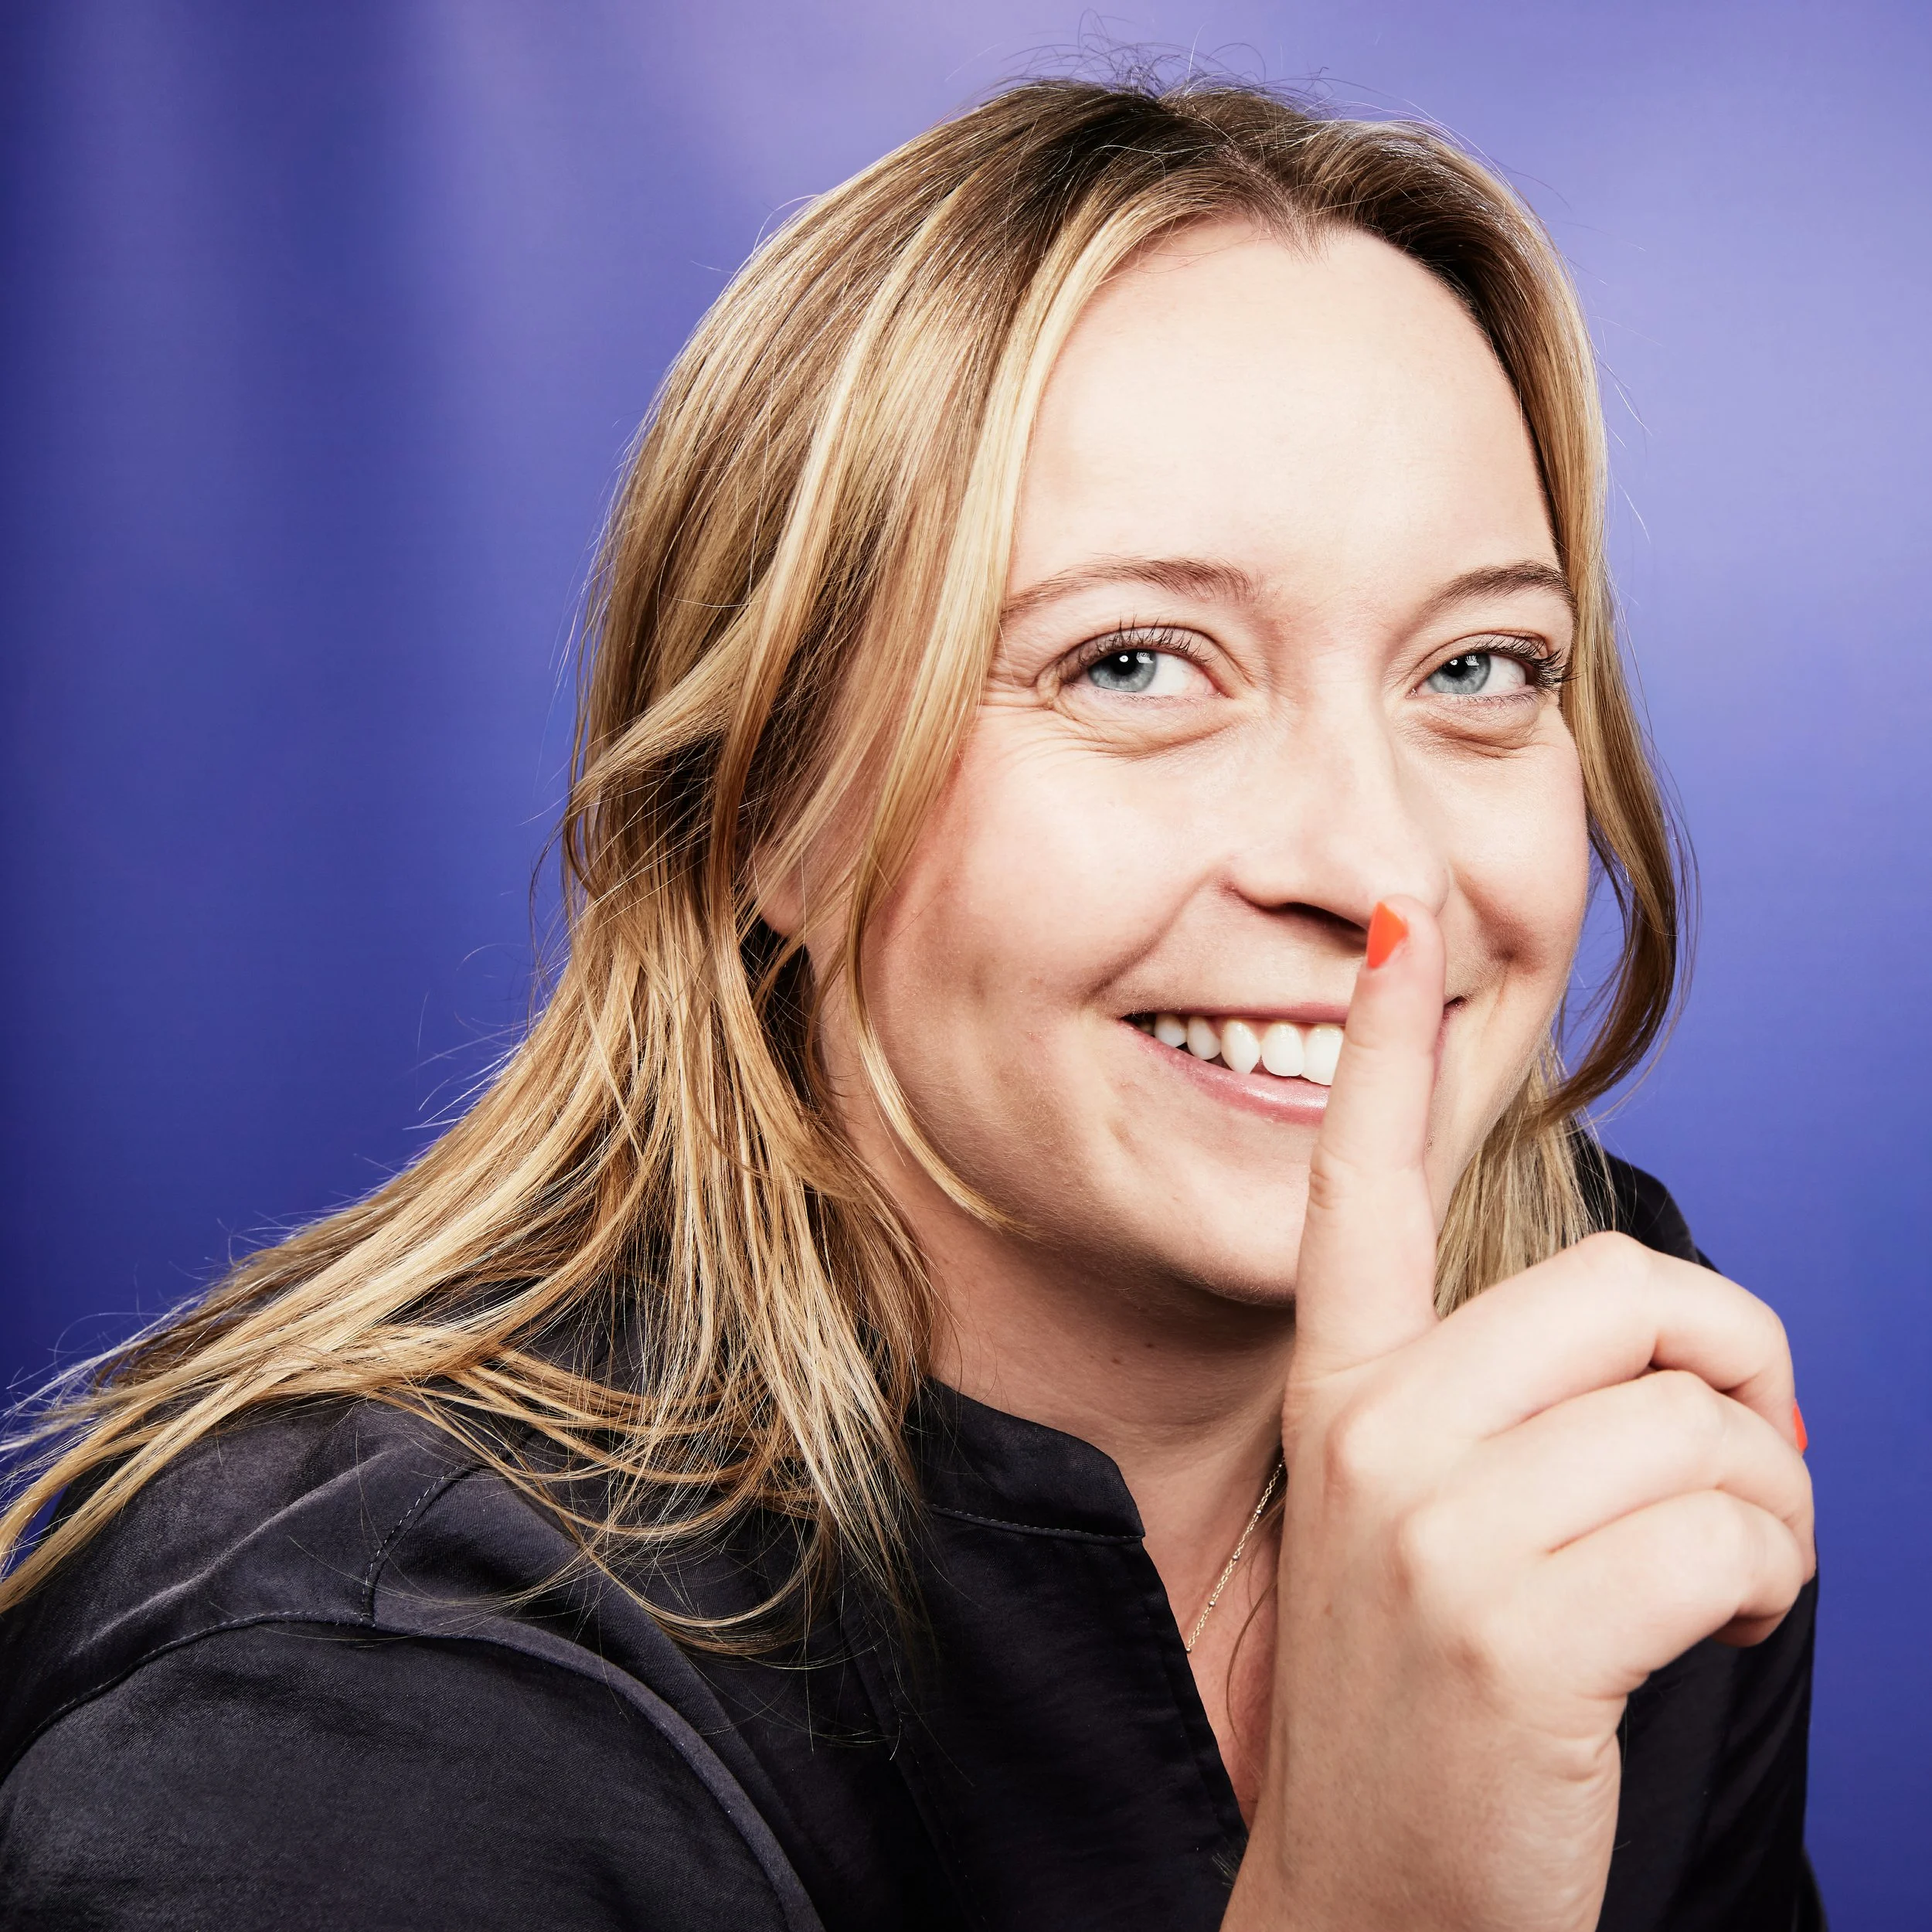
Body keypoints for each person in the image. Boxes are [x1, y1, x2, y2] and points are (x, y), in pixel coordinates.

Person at [0, 76, 1818, 1930]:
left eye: (1479, 666)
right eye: (1130, 662)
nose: (1380, 869)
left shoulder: (1595, 1409)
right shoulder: (353, 1728)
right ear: (772, 803)